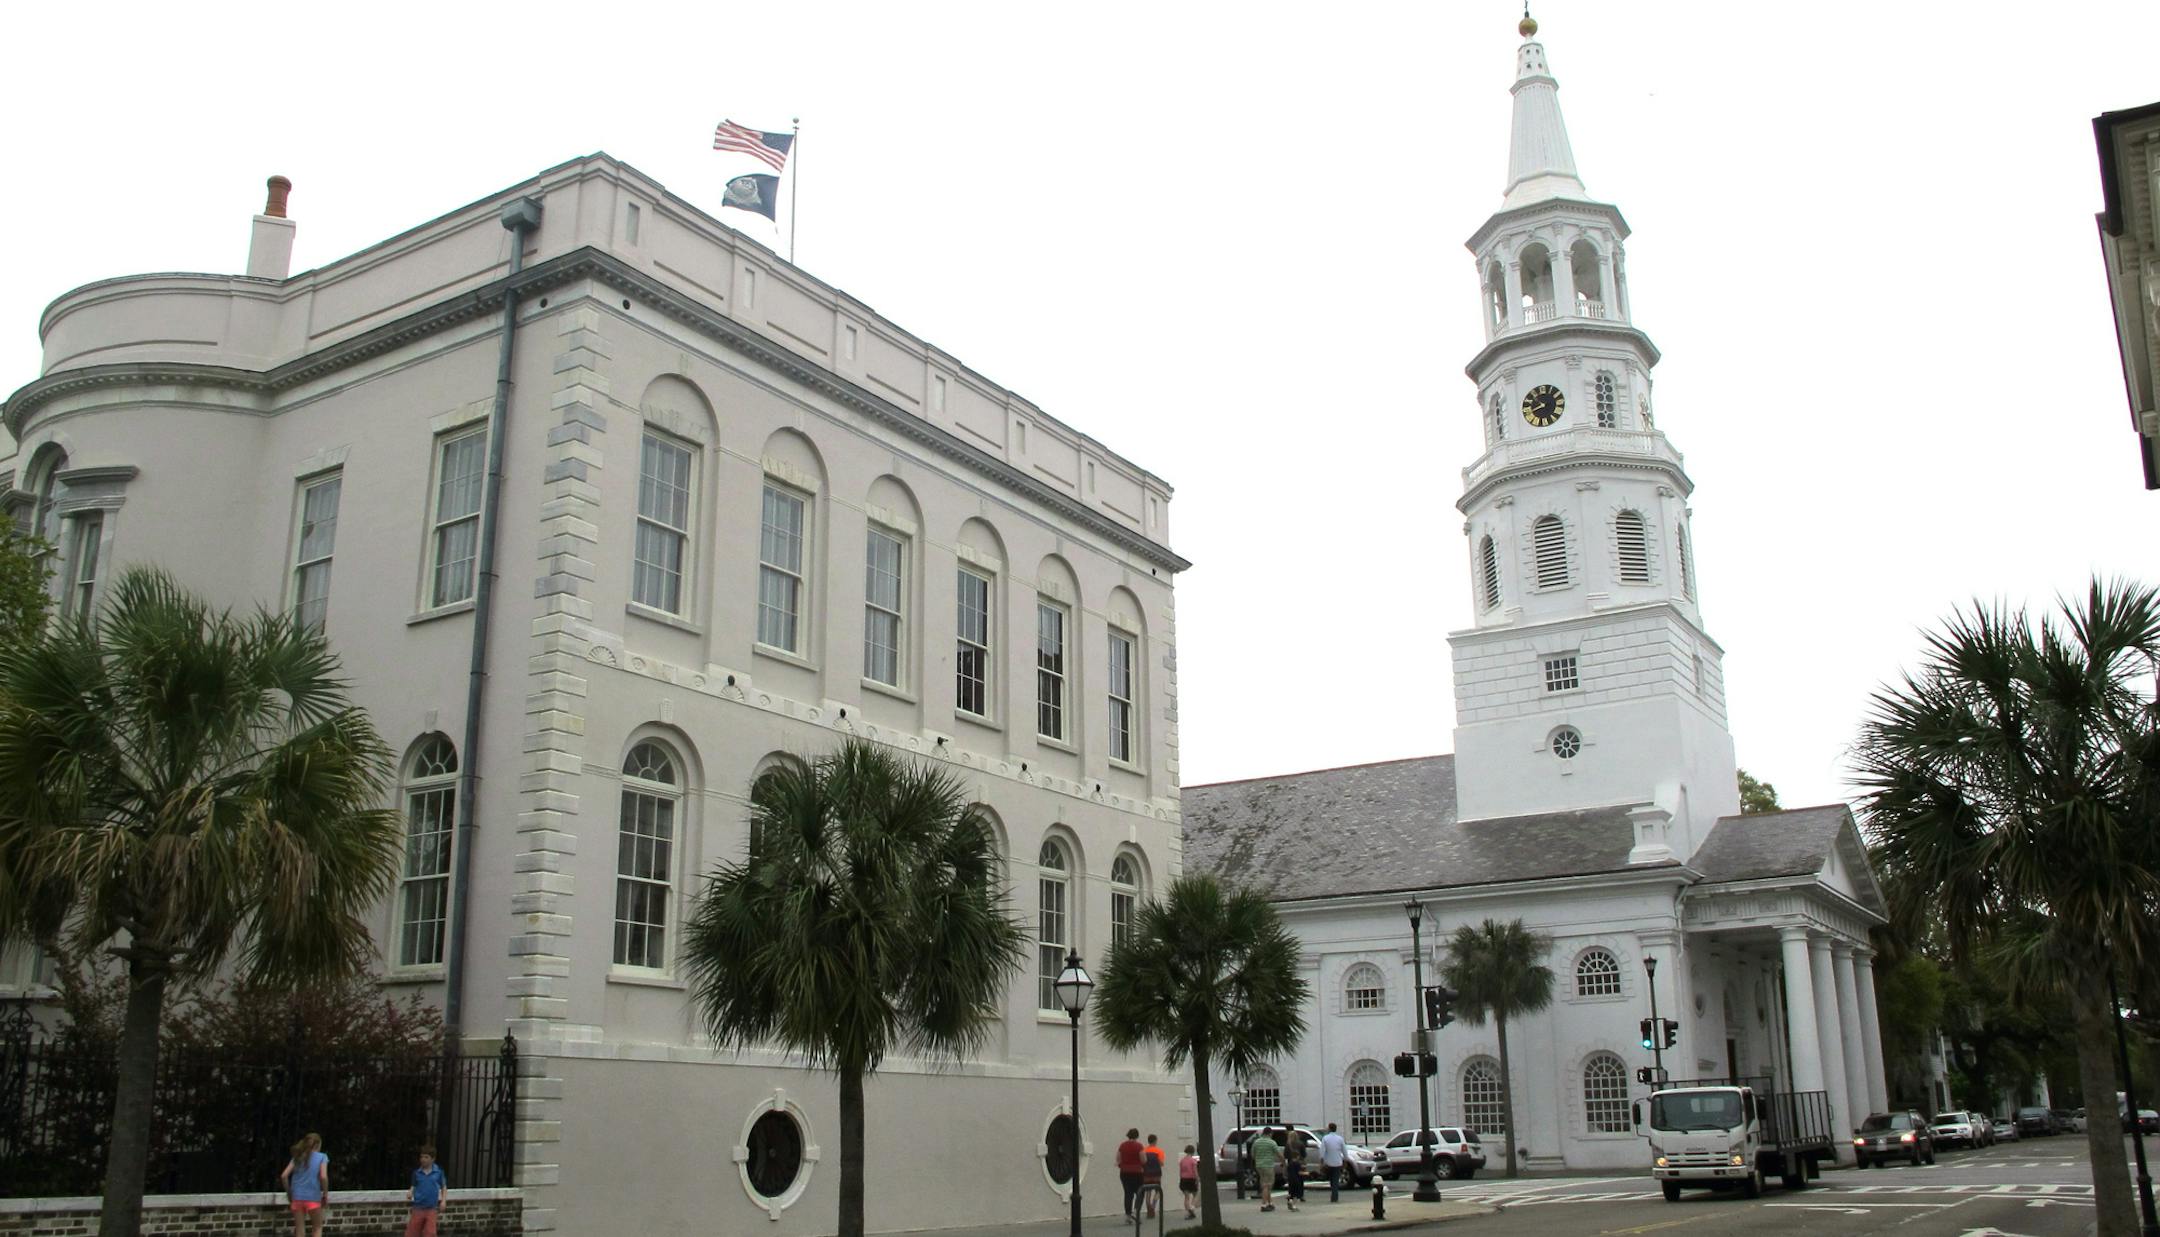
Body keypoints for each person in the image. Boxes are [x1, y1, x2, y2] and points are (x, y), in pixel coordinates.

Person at [280, 1132, 329, 1237]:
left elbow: (284, 1176)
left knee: (299, 1230)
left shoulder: (297, 1157)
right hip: (313, 1198)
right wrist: (325, 1194)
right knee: (317, 1227)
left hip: (297, 1197)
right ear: (318, 1144)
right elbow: (323, 1177)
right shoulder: (322, 1157)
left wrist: (289, 1193)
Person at [405, 1144, 447, 1237]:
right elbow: (413, 1185)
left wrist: (443, 1201)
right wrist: (410, 1192)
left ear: (432, 1159)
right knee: (412, 1233)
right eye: (422, 1157)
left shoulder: (438, 1172)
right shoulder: (417, 1173)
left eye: (426, 1157)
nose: (423, 1159)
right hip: (418, 1207)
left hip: (431, 1208)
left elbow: (443, 1187)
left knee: (430, 1233)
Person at [1248, 1126, 1280, 1212]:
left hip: (1259, 1165)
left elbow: (1252, 1154)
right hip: (1268, 1165)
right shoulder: (1272, 1143)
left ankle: (1270, 1203)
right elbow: (1278, 1153)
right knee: (1267, 1185)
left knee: (1265, 1183)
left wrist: (1258, 1160)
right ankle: (1264, 1204)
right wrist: (1283, 1162)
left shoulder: (1256, 1142)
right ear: (1270, 1133)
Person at [1116, 1128, 1146, 1221]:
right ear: (1137, 1136)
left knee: (1128, 1194)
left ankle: (1128, 1215)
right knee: (1140, 1192)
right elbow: (1143, 1159)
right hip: (1137, 1173)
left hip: (1124, 1173)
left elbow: (1118, 1159)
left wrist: (1122, 1166)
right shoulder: (1139, 1146)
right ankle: (1136, 1211)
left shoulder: (1122, 1145)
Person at [1320, 1122, 1347, 1202]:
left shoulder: (1325, 1138)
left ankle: (1334, 1195)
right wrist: (1345, 1160)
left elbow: (1322, 1151)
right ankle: (1335, 1195)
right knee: (1335, 1179)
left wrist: (1321, 1161)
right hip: (1337, 1162)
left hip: (1328, 1162)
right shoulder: (1340, 1139)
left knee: (1332, 1180)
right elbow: (1344, 1151)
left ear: (1329, 1129)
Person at [1141, 1133, 1165, 1219]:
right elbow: (1161, 1163)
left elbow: (1142, 1162)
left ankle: (1148, 1208)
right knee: (1158, 1190)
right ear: (1155, 1141)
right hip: (1156, 1173)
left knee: (1148, 1191)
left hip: (1146, 1174)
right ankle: (1153, 1206)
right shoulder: (1159, 1151)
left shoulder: (1144, 1150)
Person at [1284, 1130, 1307, 1212]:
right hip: (1299, 1163)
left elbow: (1285, 1155)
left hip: (1290, 1164)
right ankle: (1300, 1196)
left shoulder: (1288, 1145)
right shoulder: (1300, 1144)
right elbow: (1304, 1154)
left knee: (1291, 1184)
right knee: (1300, 1181)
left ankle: (1290, 1196)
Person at [1178, 1143, 1201, 1219]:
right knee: (1196, 1194)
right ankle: (1192, 1208)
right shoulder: (1193, 1161)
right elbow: (1195, 1171)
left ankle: (1188, 1212)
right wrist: (1197, 1179)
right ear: (1192, 1152)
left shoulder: (1182, 1161)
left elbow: (1180, 1171)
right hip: (1191, 1179)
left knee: (1186, 1197)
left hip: (1183, 1179)